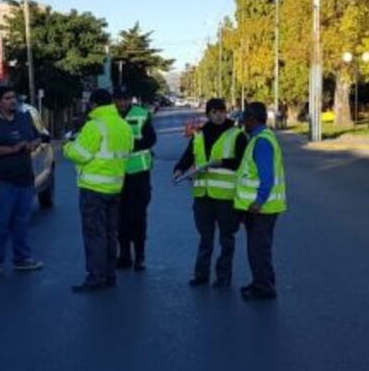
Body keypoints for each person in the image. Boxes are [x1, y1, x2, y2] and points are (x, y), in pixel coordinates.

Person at [64, 89, 133, 292]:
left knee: (95, 234)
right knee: (111, 234)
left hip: (93, 188)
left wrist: (68, 146)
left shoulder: (95, 126)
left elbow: (80, 154)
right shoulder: (123, 125)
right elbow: (127, 151)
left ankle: (96, 277)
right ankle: (110, 275)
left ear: (93, 105)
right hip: (115, 186)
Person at [173, 98, 248, 288]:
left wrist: (222, 162)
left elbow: (242, 162)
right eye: (214, 112)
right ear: (208, 114)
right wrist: (179, 169)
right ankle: (201, 276)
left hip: (225, 197)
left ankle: (223, 278)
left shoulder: (236, 134)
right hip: (203, 195)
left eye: (222, 111)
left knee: (226, 239)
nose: (219, 115)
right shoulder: (199, 134)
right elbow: (188, 155)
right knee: (205, 238)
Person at [0, 86, 45, 276]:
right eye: (7, 98)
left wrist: (31, 145)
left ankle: (22, 259)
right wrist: (12, 150)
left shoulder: (24, 118)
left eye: (14, 98)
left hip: (24, 179)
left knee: (22, 222)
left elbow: (37, 138)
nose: (12, 101)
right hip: (0, 181)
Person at [235, 102, 287, 301]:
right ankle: (261, 282)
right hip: (261, 208)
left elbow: (267, 176)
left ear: (252, 119)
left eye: (245, 118)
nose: (242, 122)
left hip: (262, 208)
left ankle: (264, 288)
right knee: (259, 249)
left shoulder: (262, 142)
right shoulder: (259, 138)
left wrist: (258, 201)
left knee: (258, 251)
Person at [113, 87, 157, 271]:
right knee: (120, 218)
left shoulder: (141, 114)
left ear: (130, 100)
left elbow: (150, 139)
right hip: (117, 174)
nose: (122, 103)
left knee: (138, 217)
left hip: (138, 173)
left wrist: (129, 145)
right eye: (119, 100)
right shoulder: (110, 116)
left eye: (125, 99)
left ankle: (139, 256)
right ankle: (124, 255)